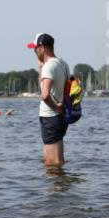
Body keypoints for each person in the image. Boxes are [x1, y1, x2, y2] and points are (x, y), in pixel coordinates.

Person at [28, 33, 70, 167]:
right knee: (53, 161)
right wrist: (40, 66)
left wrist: (55, 107)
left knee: (53, 162)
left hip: (51, 116)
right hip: (60, 117)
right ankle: (60, 185)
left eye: (35, 48)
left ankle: (57, 187)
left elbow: (45, 95)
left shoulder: (49, 67)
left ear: (42, 48)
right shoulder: (62, 64)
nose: (34, 51)